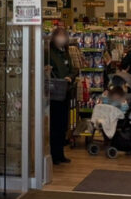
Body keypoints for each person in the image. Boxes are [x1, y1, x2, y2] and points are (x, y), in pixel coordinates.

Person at [48, 27, 78, 165]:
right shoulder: (49, 53)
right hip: (54, 93)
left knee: (62, 124)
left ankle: (60, 153)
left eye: (63, 36)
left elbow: (72, 69)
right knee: (55, 125)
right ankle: (54, 154)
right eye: (59, 35)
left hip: (65, 91)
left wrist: (70, 77)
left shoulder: (65, 53)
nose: (62, 38)